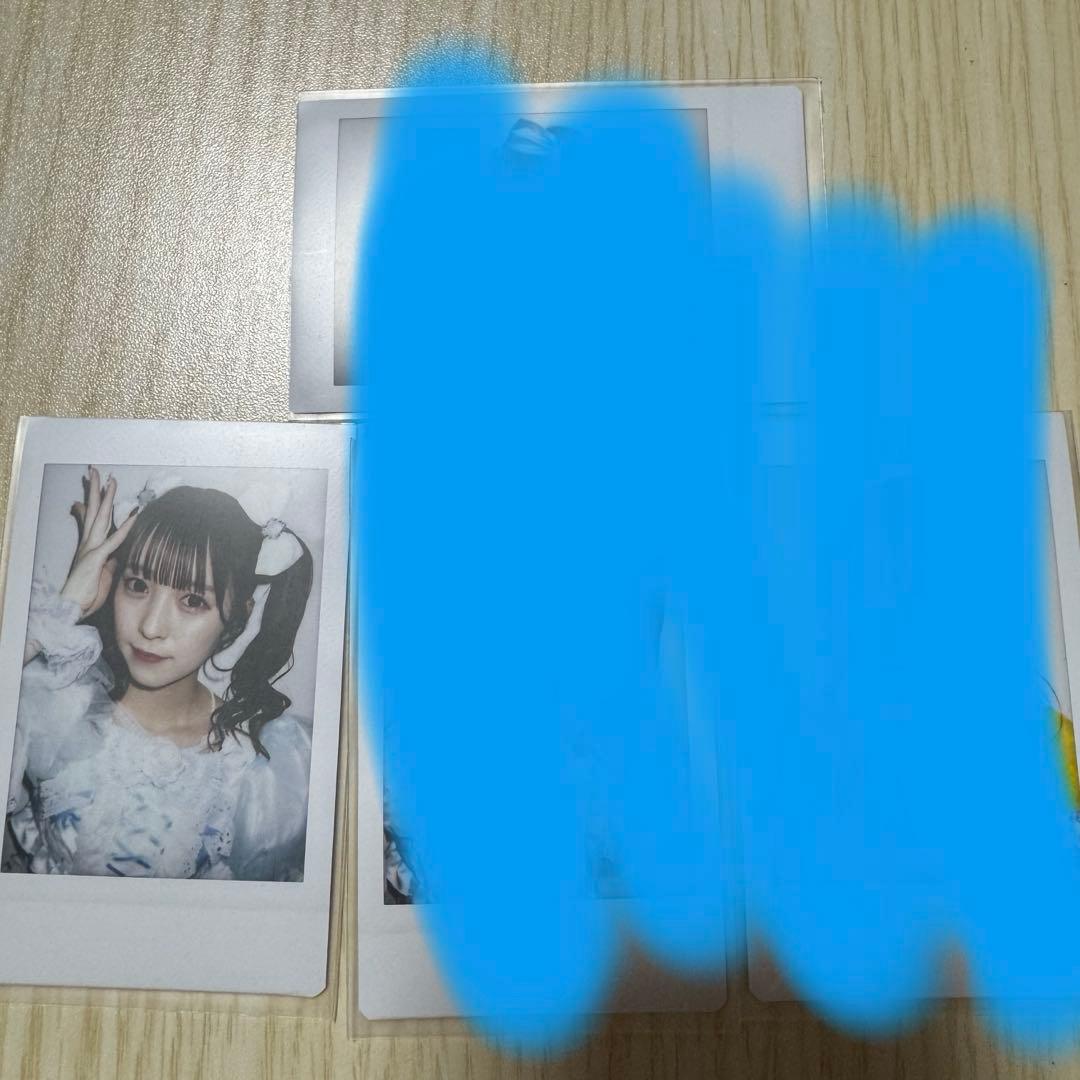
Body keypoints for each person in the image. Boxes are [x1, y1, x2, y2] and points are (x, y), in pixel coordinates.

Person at [3, 467, 314, 881]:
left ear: (239, 616)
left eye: (192, 601)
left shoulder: (267, 764)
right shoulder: (48, 704)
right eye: (137, 585)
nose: (151, 626)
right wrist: (66, 607)